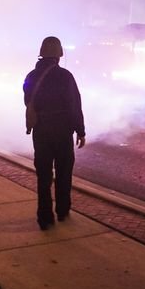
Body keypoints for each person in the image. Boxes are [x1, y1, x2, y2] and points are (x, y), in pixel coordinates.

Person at [23, 36, 86, 231]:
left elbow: (27, 101)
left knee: (43, 175)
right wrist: (80, 131)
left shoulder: (32, 76)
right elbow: (74, 104)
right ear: (59, 54)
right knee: (64, 172)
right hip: (62, 131)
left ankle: (44, 217)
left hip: (41, 130)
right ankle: (62, 210)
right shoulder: (65, 76)